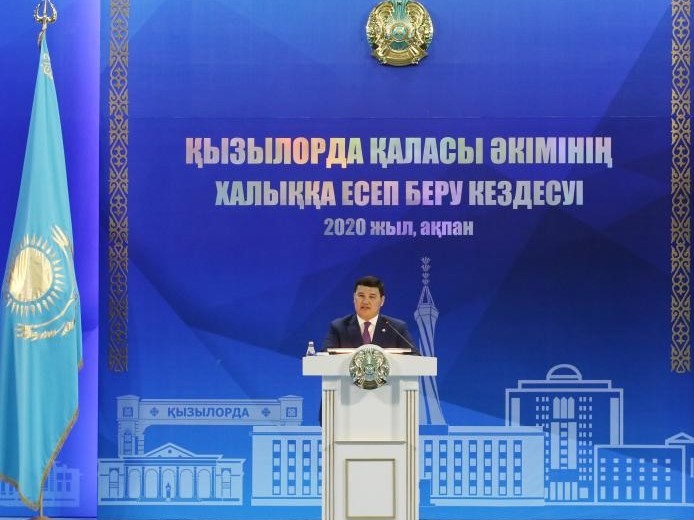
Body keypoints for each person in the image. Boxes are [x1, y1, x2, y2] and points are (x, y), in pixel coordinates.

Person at [323, 275, 419, 354]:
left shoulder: (397, 328)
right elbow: (324, 358)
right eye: (361, 296)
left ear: (382, 301)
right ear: (354, 298)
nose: (365, 301)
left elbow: (415, 358)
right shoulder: (338, 327)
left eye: (372, 297)